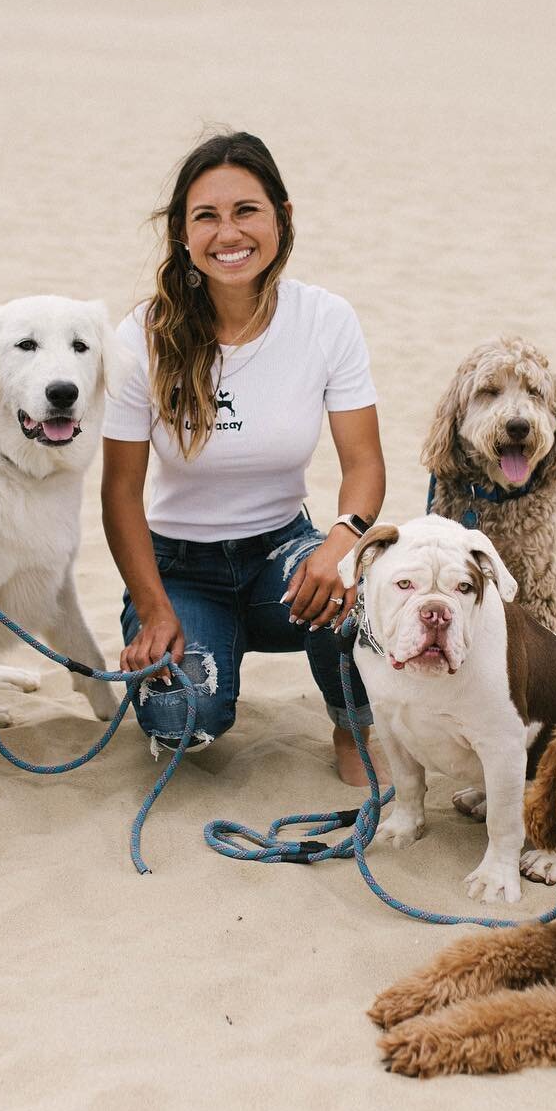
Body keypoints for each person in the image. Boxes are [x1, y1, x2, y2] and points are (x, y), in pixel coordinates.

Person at [101, 131, 386, 786]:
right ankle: (198, 666)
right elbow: (120, 495)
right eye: (207, 216)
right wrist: (153, 608)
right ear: (181, 233)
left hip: (282, 561)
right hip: (177, 569)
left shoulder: (326, 320)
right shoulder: (141, 337)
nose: (229, 233)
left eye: (246, 211)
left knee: (356, 589)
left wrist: (341, 541)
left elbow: (364, 464)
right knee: (183, 723)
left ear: (282, 217)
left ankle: (352, 726)